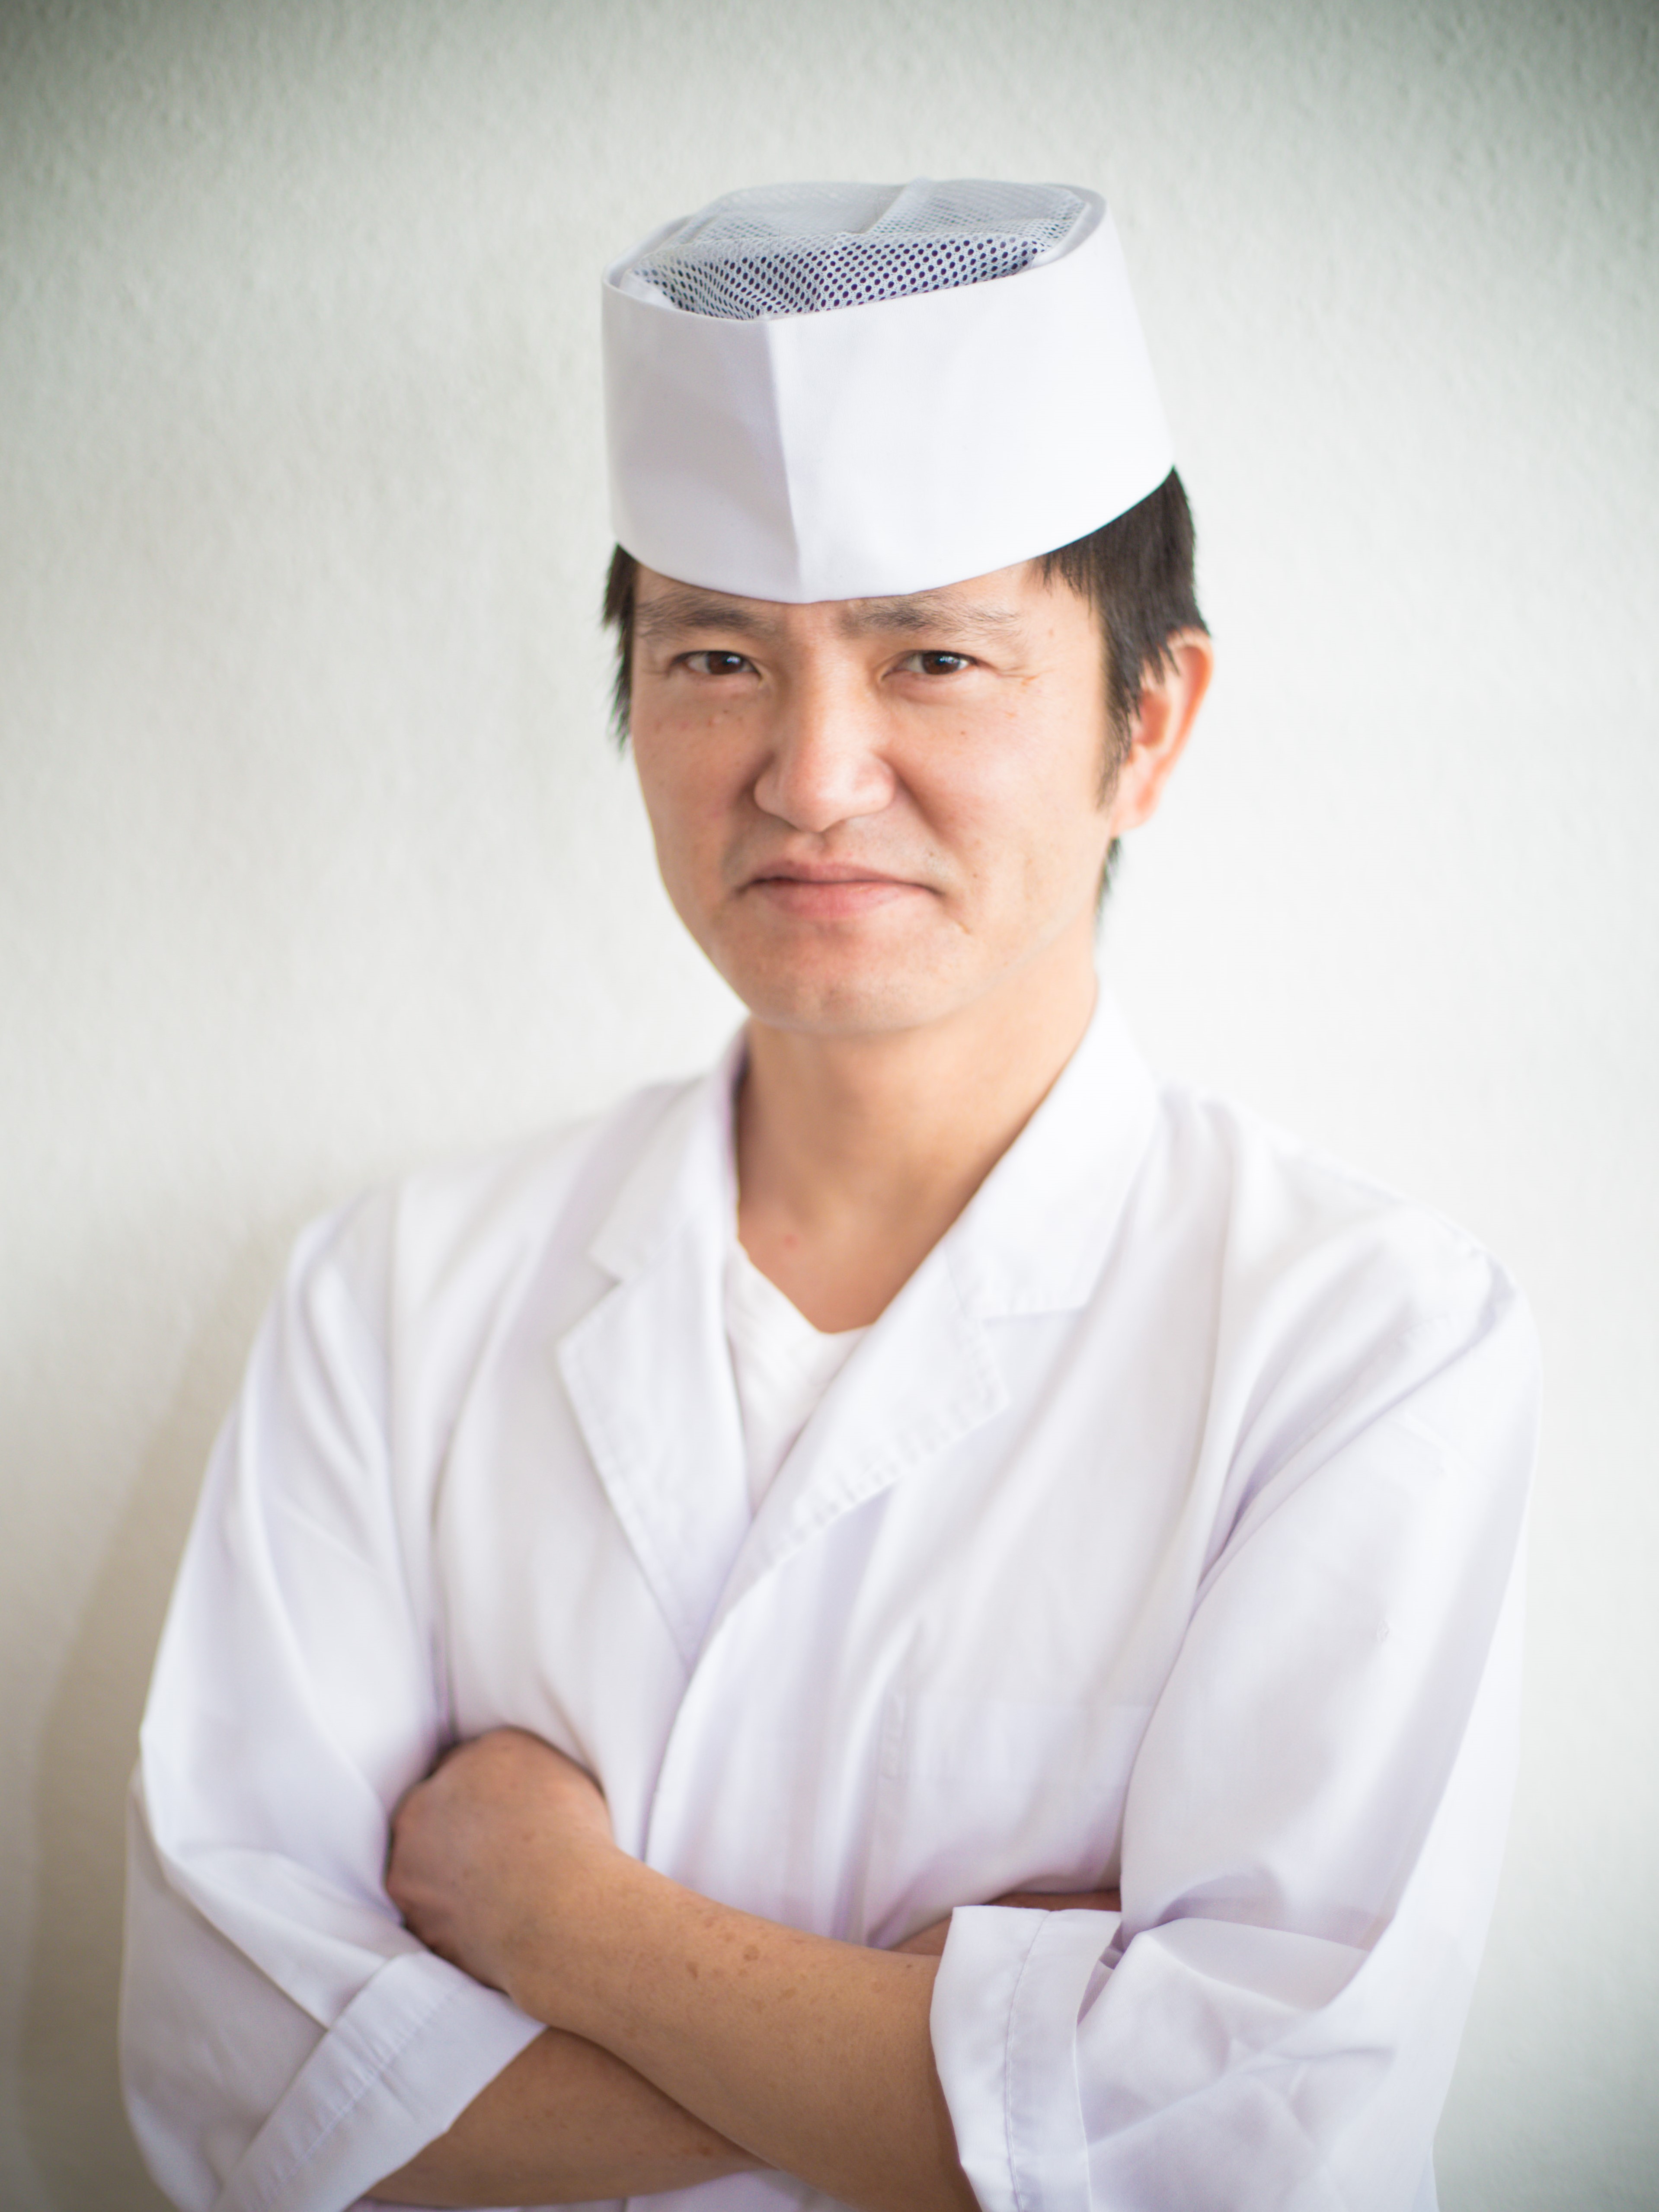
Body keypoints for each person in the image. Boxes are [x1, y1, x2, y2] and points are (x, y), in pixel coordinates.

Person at [121, 179, 1537, 2212]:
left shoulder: (1366, 1338)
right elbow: (236, 2094)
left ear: (1152, 722)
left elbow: (1253, 2151)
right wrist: (985, 2041)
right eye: (715, 655)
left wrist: (563, 1924)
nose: (810, 772)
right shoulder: (392, 1295)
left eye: (936, 657)